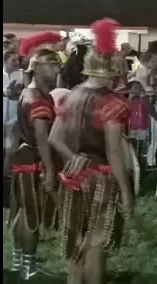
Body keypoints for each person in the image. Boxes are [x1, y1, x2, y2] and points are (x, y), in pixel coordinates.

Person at [49, 18, 135, 284]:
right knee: (97, 247)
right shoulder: (113, 103)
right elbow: (113, 151)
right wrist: (127, 191)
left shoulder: (71, 94)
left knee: (75, 248)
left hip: (72, 178)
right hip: (101, 181)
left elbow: (54, 138)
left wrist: (74, 158)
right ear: (111, 71)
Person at [6, 31, 62, 280]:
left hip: (22, 157)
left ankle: (19, 263)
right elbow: (42, 138)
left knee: (21, 213)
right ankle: (28, 268)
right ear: (39, 67)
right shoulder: (37, 98)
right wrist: (50, 171)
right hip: (33, 160)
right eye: (53, 65)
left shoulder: (29, 93)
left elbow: (16, 129)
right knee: (32, 215)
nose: (57, 69)